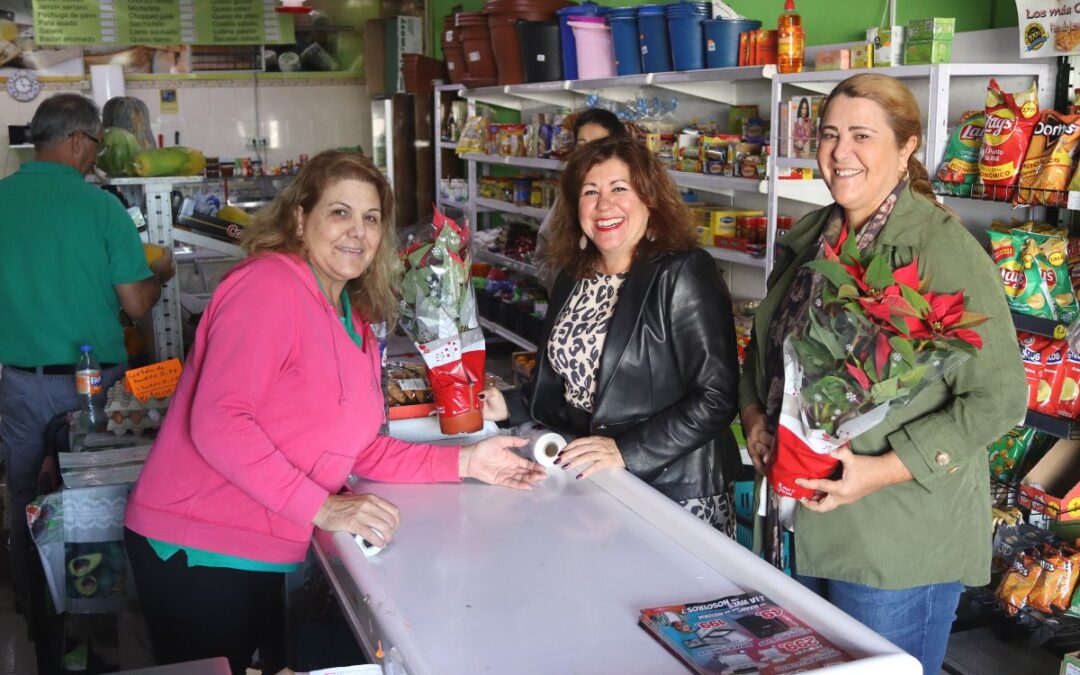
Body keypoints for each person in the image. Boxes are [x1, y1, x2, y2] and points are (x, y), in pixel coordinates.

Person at [124, 150, 546, 675]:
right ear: (301, 218)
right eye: (339, 212)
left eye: (371, 218)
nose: (358, 231)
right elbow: (220, 423)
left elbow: (359, 444)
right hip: (197, 544)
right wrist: (322, 507)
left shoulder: (350, 312)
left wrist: (465, 463)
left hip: (257, 542)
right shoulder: (269, 287)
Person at [738, 74, 1026, 674]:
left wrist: (879, 471)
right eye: (829, 135)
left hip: (895, 546)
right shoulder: (813, 238)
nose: (841, 153)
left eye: (862, 136)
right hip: (799, 525)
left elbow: (998, 398)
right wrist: (755, 418)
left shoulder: (944, 250)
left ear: (907, 147)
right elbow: (766, 350)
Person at [485, 135, 742, 536]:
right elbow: (570, 385)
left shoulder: (683, 272)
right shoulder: (573, 276)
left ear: (649, 200)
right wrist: (505, 404)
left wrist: (626, 451)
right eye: (591, 192)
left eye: (619, 188)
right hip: (596, 479)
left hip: (675, 488)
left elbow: (717, 397)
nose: (604, 205)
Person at [0, 93, 175, 608]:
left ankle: (36, 609)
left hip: (18, 382)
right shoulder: (101, 208)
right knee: (95, 498)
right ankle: (99, 614)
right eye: (95, 145)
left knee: (27, 496)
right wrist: (160, 273)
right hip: (93, 387)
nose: (95, 156)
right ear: (78, 141)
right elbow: (138, 303)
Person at [535, 108, 627, 292]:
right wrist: (569, 288)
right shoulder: (569, 192)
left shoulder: (632, 191)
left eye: (598, 144)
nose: (588, 152)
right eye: (582, 143)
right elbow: (546, 251)